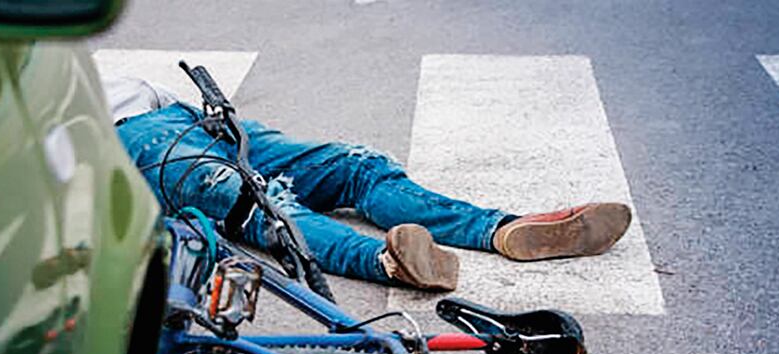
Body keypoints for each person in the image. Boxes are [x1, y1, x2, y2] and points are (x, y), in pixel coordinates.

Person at [103, 73, 632, 291]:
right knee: (266, 204)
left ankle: (504, 230)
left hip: (195, 119)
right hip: (135, 143)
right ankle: (389, 262)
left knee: (355, 165)